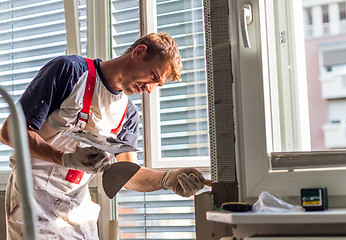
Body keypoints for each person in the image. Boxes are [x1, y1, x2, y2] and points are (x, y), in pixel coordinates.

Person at [0, 32, 210, 239]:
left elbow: (128, 175)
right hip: (33, 195)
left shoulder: (128, 114)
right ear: (138, 52)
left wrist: (168, 178)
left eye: (158, 84)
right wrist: (65, 159)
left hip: (76, 207)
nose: (149, 89)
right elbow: (9, 133)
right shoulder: (70, 71)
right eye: (153, 75)